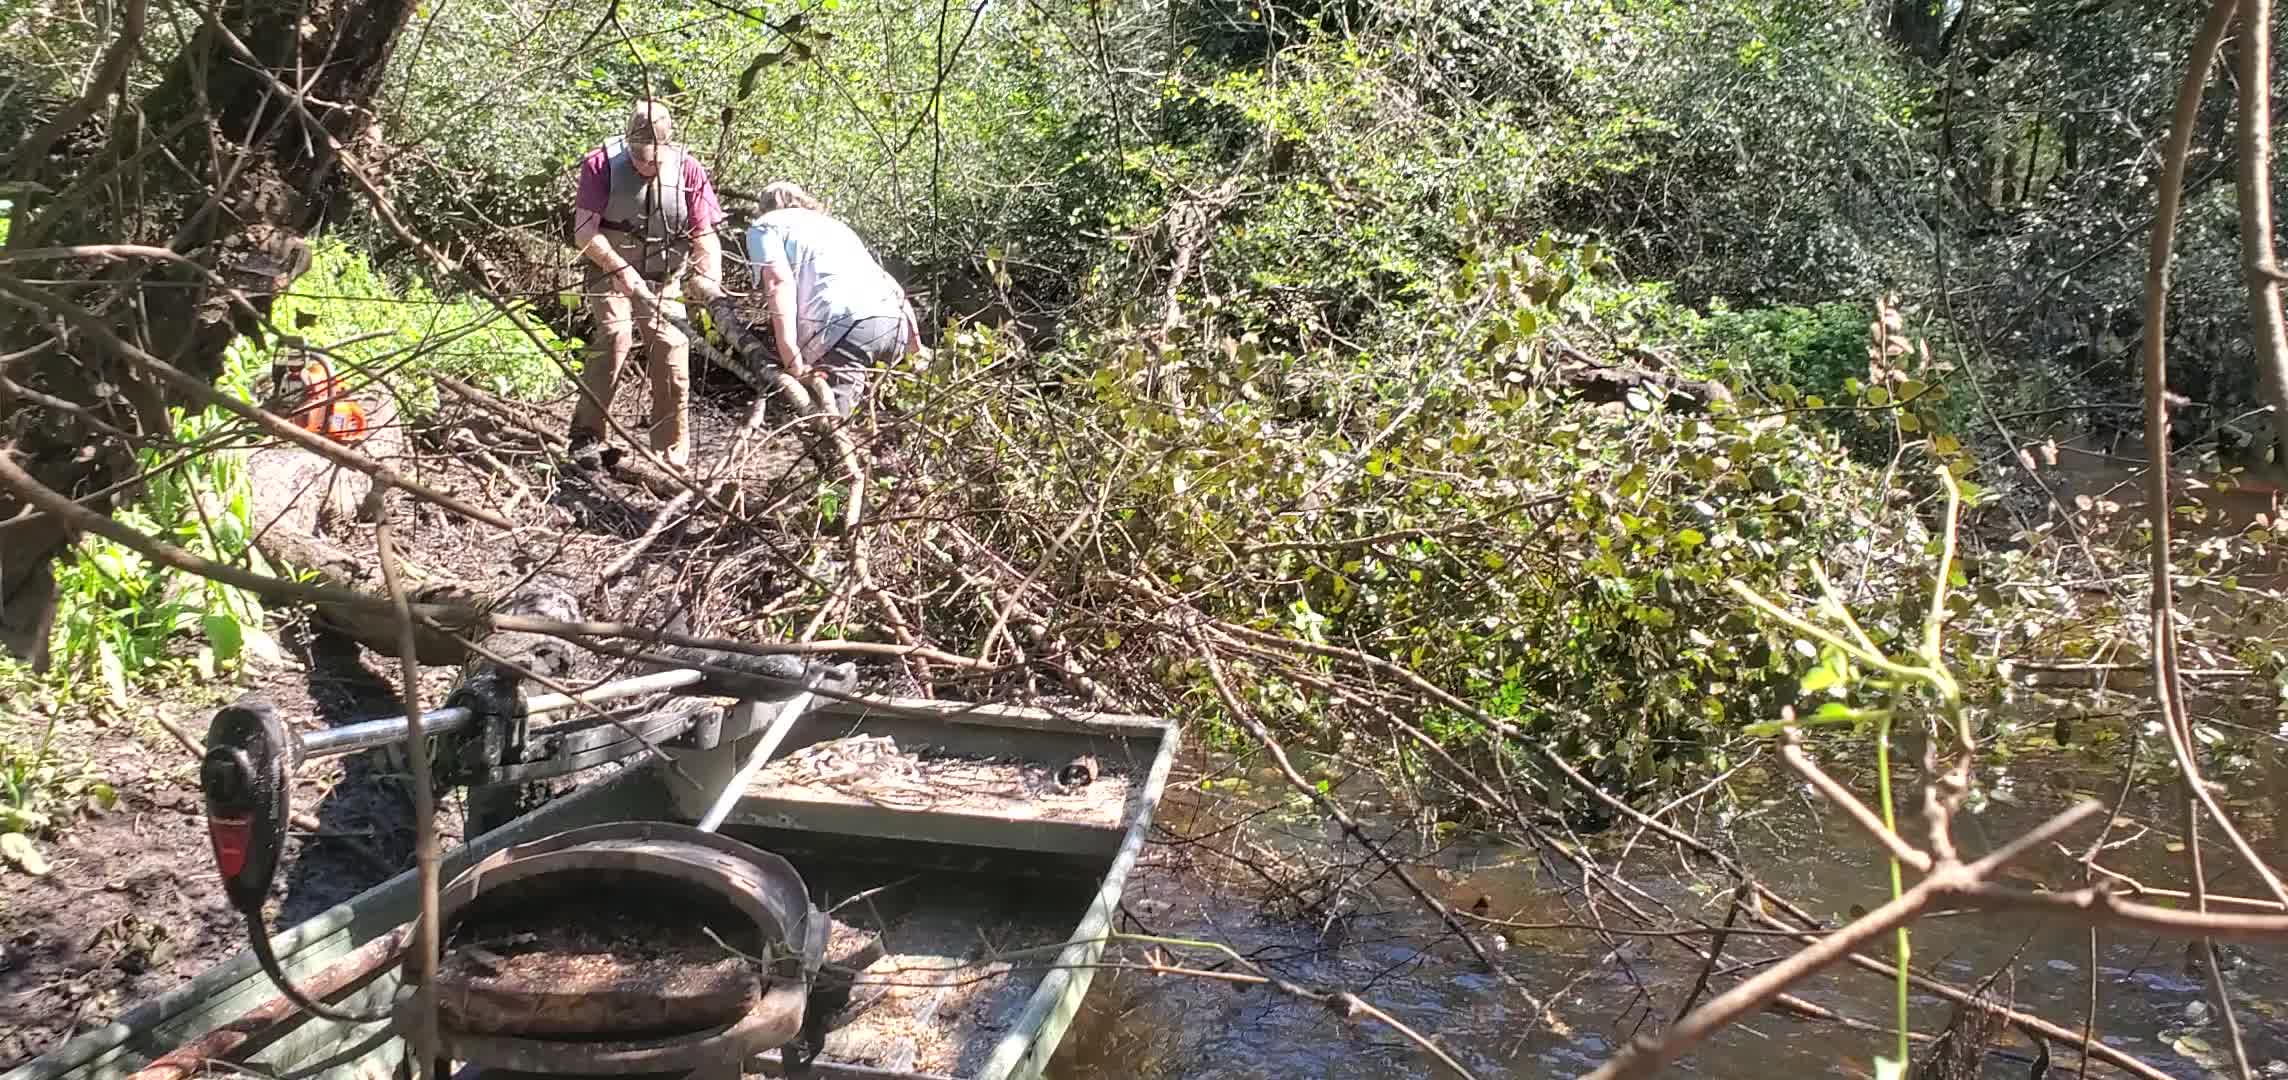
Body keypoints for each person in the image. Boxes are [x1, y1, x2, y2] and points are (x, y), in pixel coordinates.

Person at [568, 99, 724, 468]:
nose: (647, 166)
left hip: (663, 277)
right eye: (640, 159)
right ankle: (586, 437)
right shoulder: (600, 164)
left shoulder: (688, 169)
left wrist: (709, 280)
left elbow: (705, 235)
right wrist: (622, 272)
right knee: (615, 335)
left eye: (654, 160)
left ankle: (670, 453)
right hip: (610, 270)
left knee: (672, 346)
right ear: (628, 146)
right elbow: (584, 234)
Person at [742, 182, 920, 416]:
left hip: (846, 330)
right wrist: (914, 342)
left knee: (833, 430)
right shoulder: (836, 227)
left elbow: (777, 281)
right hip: (893, 323)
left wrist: (790, 354)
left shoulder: (765, 226)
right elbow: (886, 279)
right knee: (875, 424)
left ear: (764, 207)